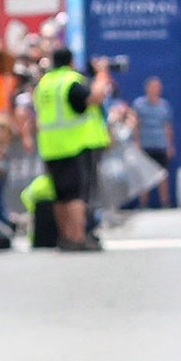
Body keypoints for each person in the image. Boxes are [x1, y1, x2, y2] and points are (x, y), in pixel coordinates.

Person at [33, 47, 111, 252]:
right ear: (71, 61)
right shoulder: (70, 81)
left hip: (50, 147)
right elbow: (93, 98)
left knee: (60, 195)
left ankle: (65, 236)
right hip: (72, 146)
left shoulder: (44, 83)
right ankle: (77, 237)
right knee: (76, 195)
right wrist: (102, 73)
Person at [133, 75, 177, 208]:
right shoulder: (139, 105)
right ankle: (143, 203)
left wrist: (169, 145)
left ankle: (165, 202)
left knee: (162, 174)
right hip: (145, 143)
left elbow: (167, 126)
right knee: (143, 175)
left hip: (160, 143)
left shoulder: (164, 106)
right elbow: (136, 125)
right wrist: (137, 142)